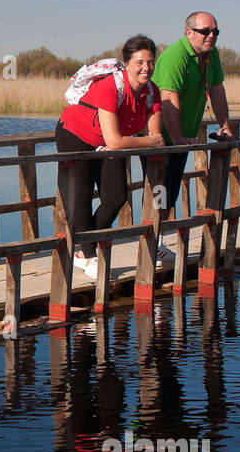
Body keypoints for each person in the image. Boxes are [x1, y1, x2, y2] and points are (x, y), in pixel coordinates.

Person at [55, 35, 165, 279]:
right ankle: (87, 255)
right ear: (127, 64)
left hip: (112, 141)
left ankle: (86, 244)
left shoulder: (151, 92)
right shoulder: (110, 86)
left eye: (150, 62)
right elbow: (128, 140)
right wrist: (145, 140)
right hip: (76, 133)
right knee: (82, 195)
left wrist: (144, 139)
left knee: (116, 196)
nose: (146, 68)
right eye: (139, 62)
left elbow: (156, 134)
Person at [150, 11, 236, 264]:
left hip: (182, 137)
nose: (211, 36)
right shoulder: (175, 56)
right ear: (189, 33)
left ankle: (158, 243)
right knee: (158, 189)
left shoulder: (212, 55)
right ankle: (152, 245)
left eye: (215, 32)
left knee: (170, 190)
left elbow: (217, 89)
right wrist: (175, 137)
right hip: (158, 136)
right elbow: (168, 97)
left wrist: (225, 126)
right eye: (205, 31)